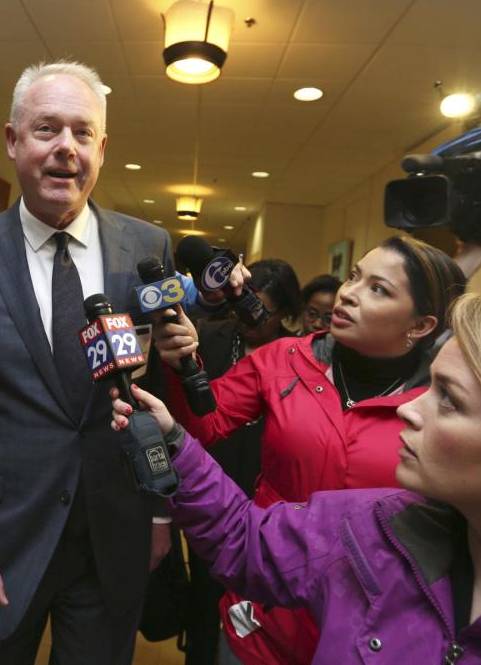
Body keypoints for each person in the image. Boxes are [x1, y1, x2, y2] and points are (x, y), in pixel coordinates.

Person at [111, 292, 481, 663]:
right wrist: (171, 439)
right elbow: (245, 540)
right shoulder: (376, 526)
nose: (407, 409)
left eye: (451, 401)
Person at [0, 60, 173, 664]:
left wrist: (160, 511)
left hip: (113, 534)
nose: (66, 149)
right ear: (12, 140)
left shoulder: (147, 248)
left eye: (83, 134)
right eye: (46, 129)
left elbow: (154, 390)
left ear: (102, 149)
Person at [154, 235, 466, 664]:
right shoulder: (283, 358)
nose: (349, 294)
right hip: (264, 604)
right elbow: (203, 427)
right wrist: (182, 364)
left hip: (372, 626)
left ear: (421, 325)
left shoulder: (439, 401)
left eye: (378, 289)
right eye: (354, 276)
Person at [184, 259, 301, 665]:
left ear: (286, 312)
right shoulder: (207, 337)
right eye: (247, 304)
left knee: (258, 612)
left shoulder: (298, 355)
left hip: (270, 504)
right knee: (203, 599)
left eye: (265, 310)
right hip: (210, 491)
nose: (253, 317)